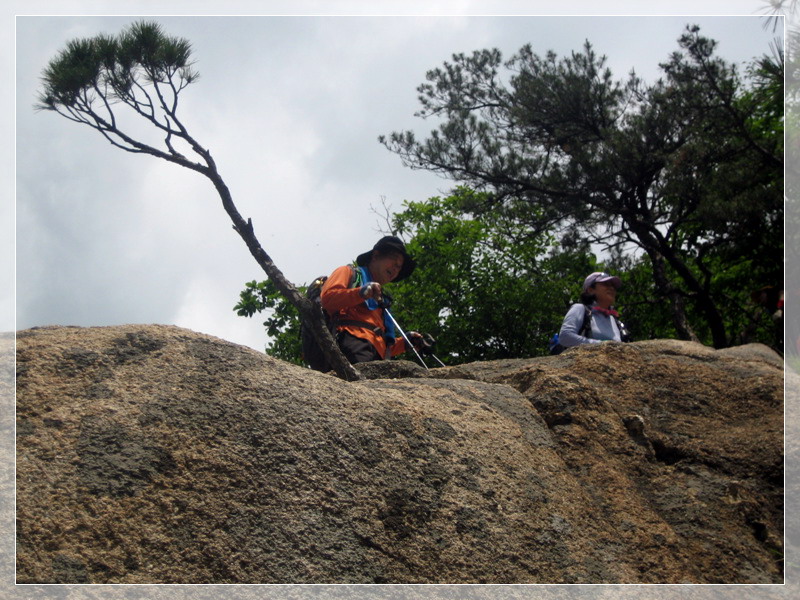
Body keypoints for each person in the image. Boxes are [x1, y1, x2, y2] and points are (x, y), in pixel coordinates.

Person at [320, 236, 424, 365]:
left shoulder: (382, 300)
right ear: (375, 256)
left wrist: (406, 342)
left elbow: (380, 341)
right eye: (394, 260)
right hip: (351, 342)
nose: (396, 268)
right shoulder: (349, 272)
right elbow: (328, 299)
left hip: (379, 356)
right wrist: (360, 293)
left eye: (399, 267)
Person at [557, 271, 631, 349]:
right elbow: (565, 337)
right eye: (606, 284)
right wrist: (601, 345)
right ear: (590, 290)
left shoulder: (615, 320)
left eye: (613, 286)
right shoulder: (581, 309)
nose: (612, 288)